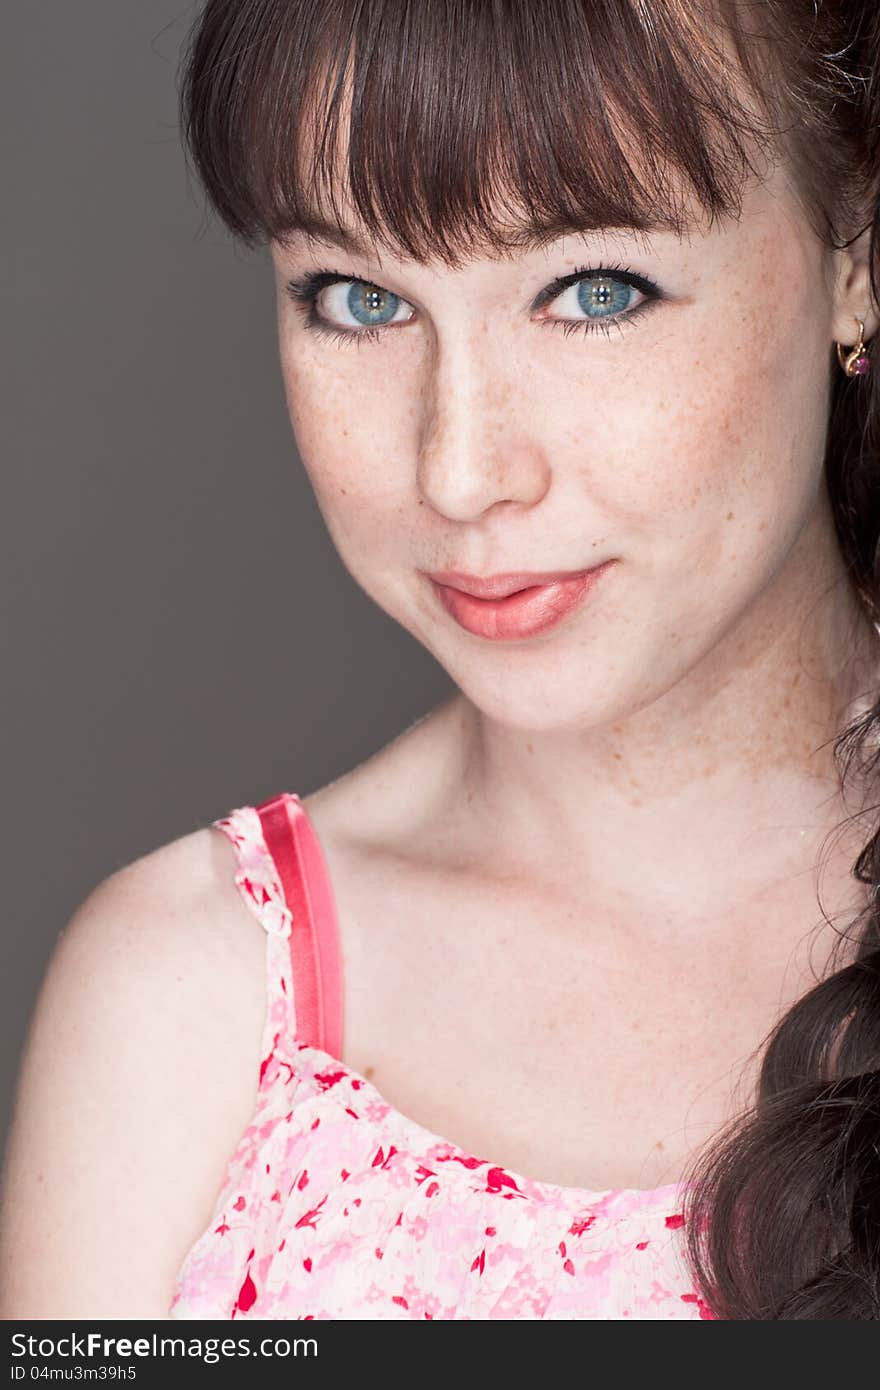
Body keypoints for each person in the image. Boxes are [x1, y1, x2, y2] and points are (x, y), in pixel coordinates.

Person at [2, 0, 880, 1322]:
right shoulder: (186, 1004)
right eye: (360, 299)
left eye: (594, 292)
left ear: (859, 252)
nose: (458, 469)